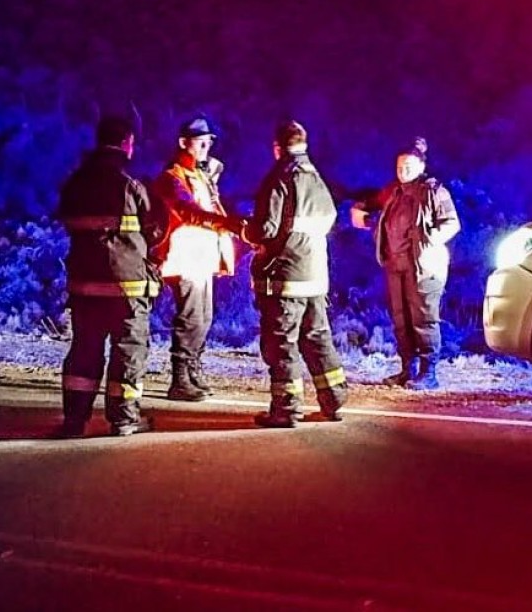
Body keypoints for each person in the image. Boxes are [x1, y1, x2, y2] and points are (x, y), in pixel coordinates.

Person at [54, 115, 164, 437]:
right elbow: (155, 229)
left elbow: (66, 220)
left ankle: (75, 419)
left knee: (85, 350)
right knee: (128, 348)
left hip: (85, 286)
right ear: (128, 142)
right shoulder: (131, 185)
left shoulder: (76, 183)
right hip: (126, 288)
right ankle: (124, 420)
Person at [241, 120, 346, 428]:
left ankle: (286, 409)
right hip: (314, 275)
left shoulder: (279, 178)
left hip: (284, 276)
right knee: (317, 337)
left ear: (277, 148)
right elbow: (329, 219)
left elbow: (266, 229)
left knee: (281, 342)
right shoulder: (316, 178)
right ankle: (334, 401)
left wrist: (246, 230)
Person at [352, 138, 460, 389]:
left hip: (424, 267)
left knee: (424, 320)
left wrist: (429, 237)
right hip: (395, 266)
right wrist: (362, 212)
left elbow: (452, 223)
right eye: (400, 167)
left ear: (421, 166)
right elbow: (375, 209)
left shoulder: (433, 191)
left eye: (409, 167)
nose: (403, 172)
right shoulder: (394, 193)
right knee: (401, 320)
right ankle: (407, 369)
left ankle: (428, 373)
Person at [151, 115, 239, 401]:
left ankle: (192, 371)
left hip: (202, 258)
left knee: (204, 317)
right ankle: (180, 378)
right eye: (200, 142)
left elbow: (209, 207)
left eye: (208, 142)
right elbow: (188, 210)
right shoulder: (172, 177)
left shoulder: (200, 176)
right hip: (183, 258)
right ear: (183, 143)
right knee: (190, 317)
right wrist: (228, 224)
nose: (205, 147)